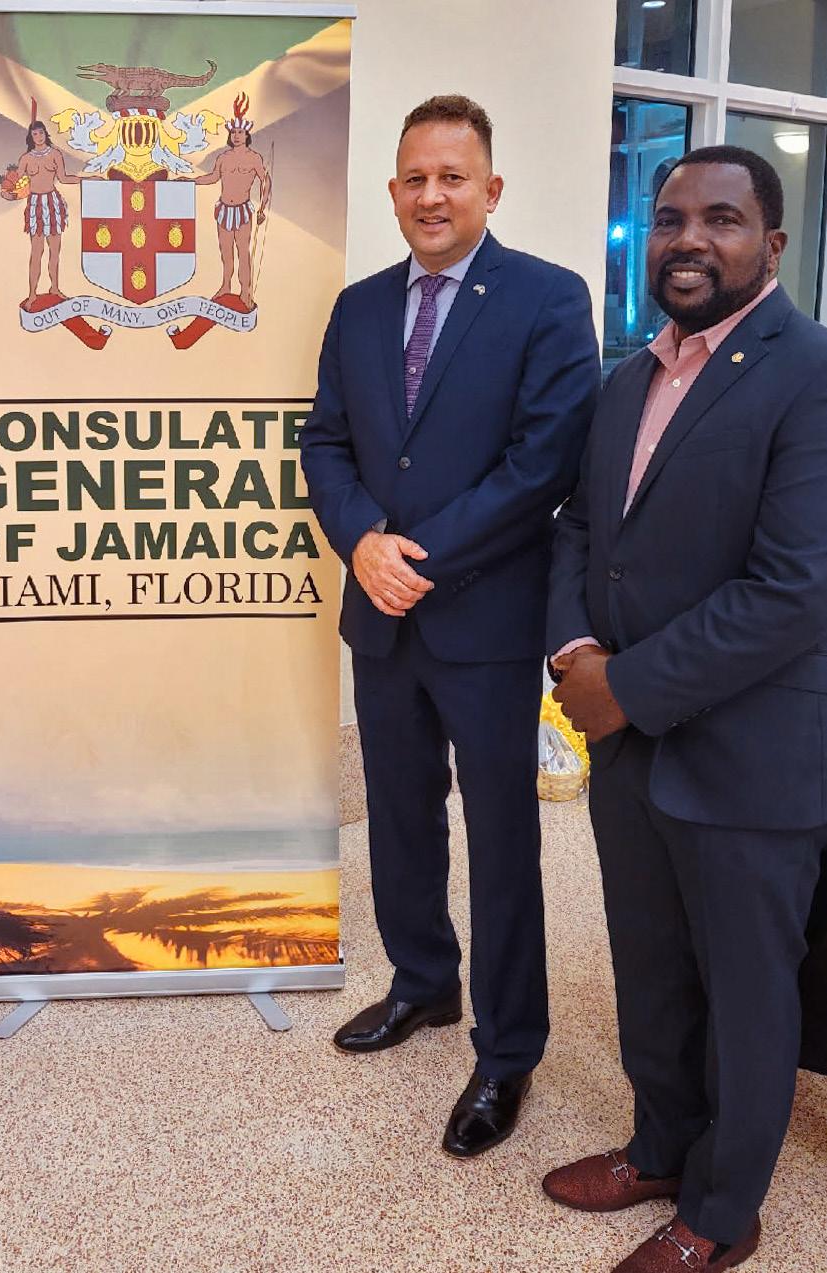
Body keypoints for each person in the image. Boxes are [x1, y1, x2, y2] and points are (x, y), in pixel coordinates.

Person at [545, 145, 827, 1271]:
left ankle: (721, 1210)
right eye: (669, 219)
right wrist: (575, 648)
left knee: (747, 995)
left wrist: (624, 687)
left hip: (752, 755)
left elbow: (796, 586)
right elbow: (579, 527)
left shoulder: (811, 371)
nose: (690, 240)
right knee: (649, 967)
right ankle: (660, 1145)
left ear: (772, 242)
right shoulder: (630, 375)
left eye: (721, 218)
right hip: (631, 755)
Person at [301, 95, 599, 1157]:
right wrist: (360, 542)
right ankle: (422, 980)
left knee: (503, 838)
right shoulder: (358, 307)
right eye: (415, 179)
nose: (432, 195)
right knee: (397, 813)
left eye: (452, 177)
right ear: (393, 192)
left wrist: (410, 556)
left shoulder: (549, 299)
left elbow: (543, 463)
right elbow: (326, 442)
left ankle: (508, 1048)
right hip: (380, 615)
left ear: (491, 189)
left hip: (486, 620)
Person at [187, 93, 271, 309]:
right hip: (224, 209)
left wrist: (262, 208)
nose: (236, 136)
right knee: (226, 253)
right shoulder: (223, 158)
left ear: (247, 135)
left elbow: (265, 181)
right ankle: (225, 285)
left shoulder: (254, 158)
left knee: (243, 252)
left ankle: (245, 291)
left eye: (240, 132)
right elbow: (213, 177)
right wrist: (191, 181)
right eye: (233, 132)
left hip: (243, 211)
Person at [3, 117, 81, 310]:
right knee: (36, 252)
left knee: (55, 251)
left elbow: (63, 178)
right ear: (31, 137)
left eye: (41, 133)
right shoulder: (25, 159)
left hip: (53, 203)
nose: (38, 136)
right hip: (35, 205)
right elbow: (19, 185)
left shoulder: (55, 154)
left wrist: (86, 179)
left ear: (46, 134)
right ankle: (32, 294)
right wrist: (8, 193)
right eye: (35, 134)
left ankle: (55, 288)